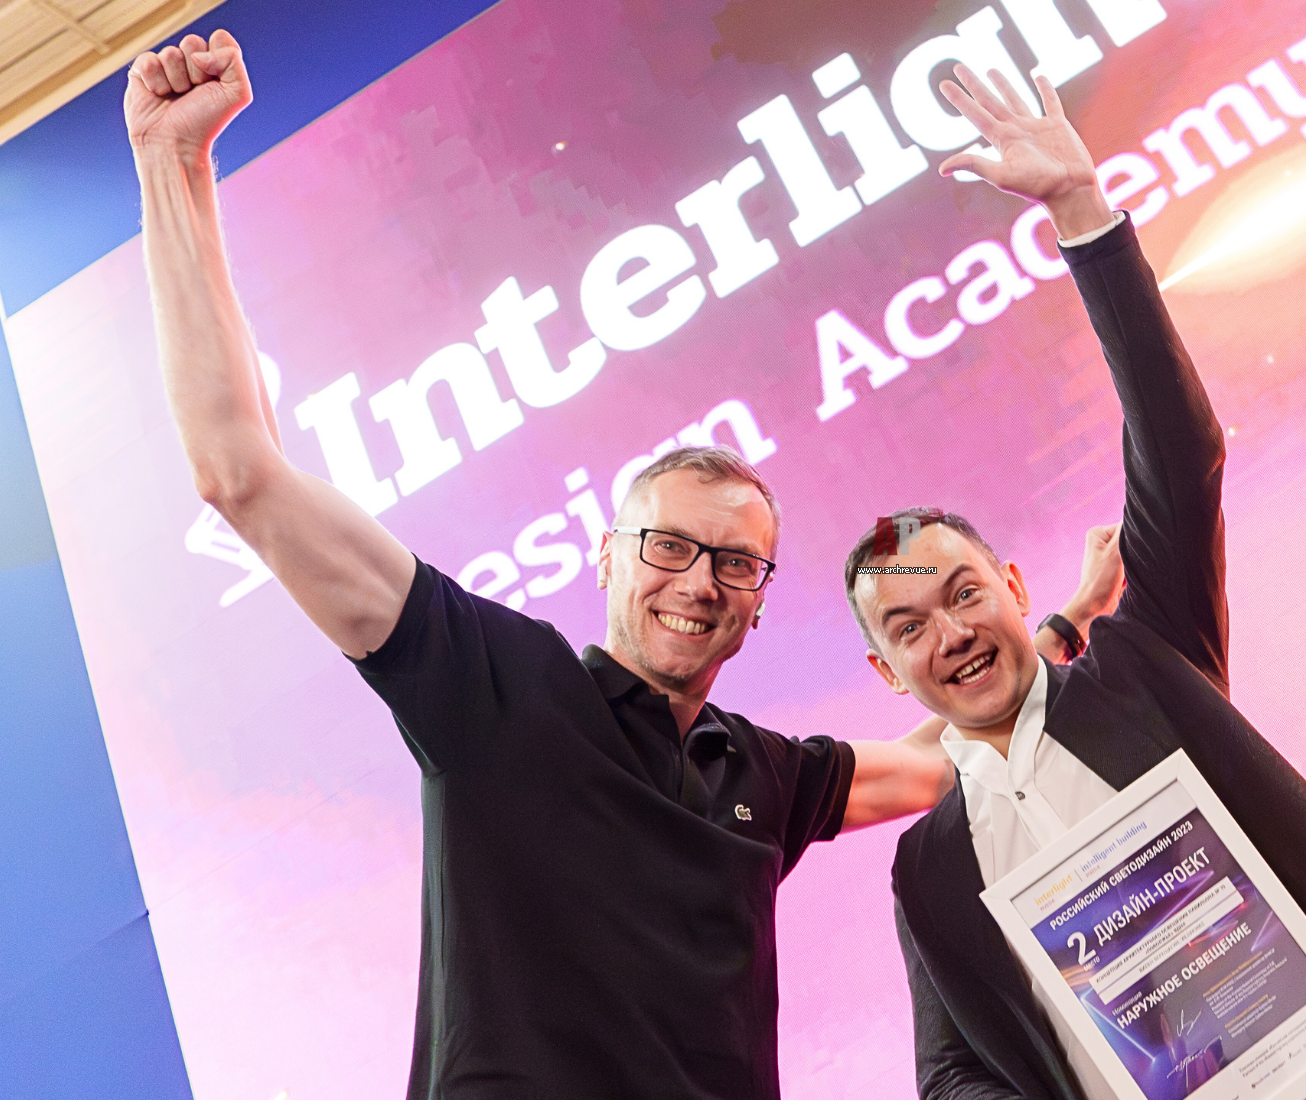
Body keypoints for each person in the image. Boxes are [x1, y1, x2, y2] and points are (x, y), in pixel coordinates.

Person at [123, 32, 1125, 1100]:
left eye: (735, 564)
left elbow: (941, 753)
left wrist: (1069, 615)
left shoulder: (759, 773)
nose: (697, 581)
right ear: (609, 557)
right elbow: (238, 467)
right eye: (670, 546)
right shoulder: (498, 684)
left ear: (757, 604)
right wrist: (174, 166)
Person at [846, 65, 1306, 1100]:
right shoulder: (930, 866)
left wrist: (1082, 213)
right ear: (887, 671)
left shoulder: (1143, 666)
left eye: (962, 593)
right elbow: (949, 1073)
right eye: (908, 626)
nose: (949, 632)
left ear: (1015, 585)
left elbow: (1178, 449)